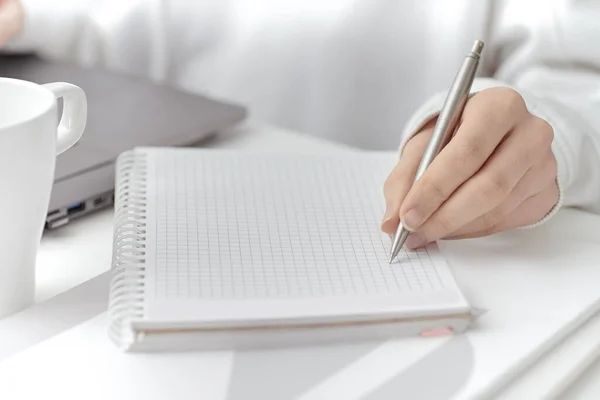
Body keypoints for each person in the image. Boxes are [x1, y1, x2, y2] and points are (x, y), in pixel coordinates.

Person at [1, 0, 599, 250]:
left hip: (469, 239)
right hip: (122, 167)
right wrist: (36, 17)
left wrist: (553, 135)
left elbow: (579, 70)